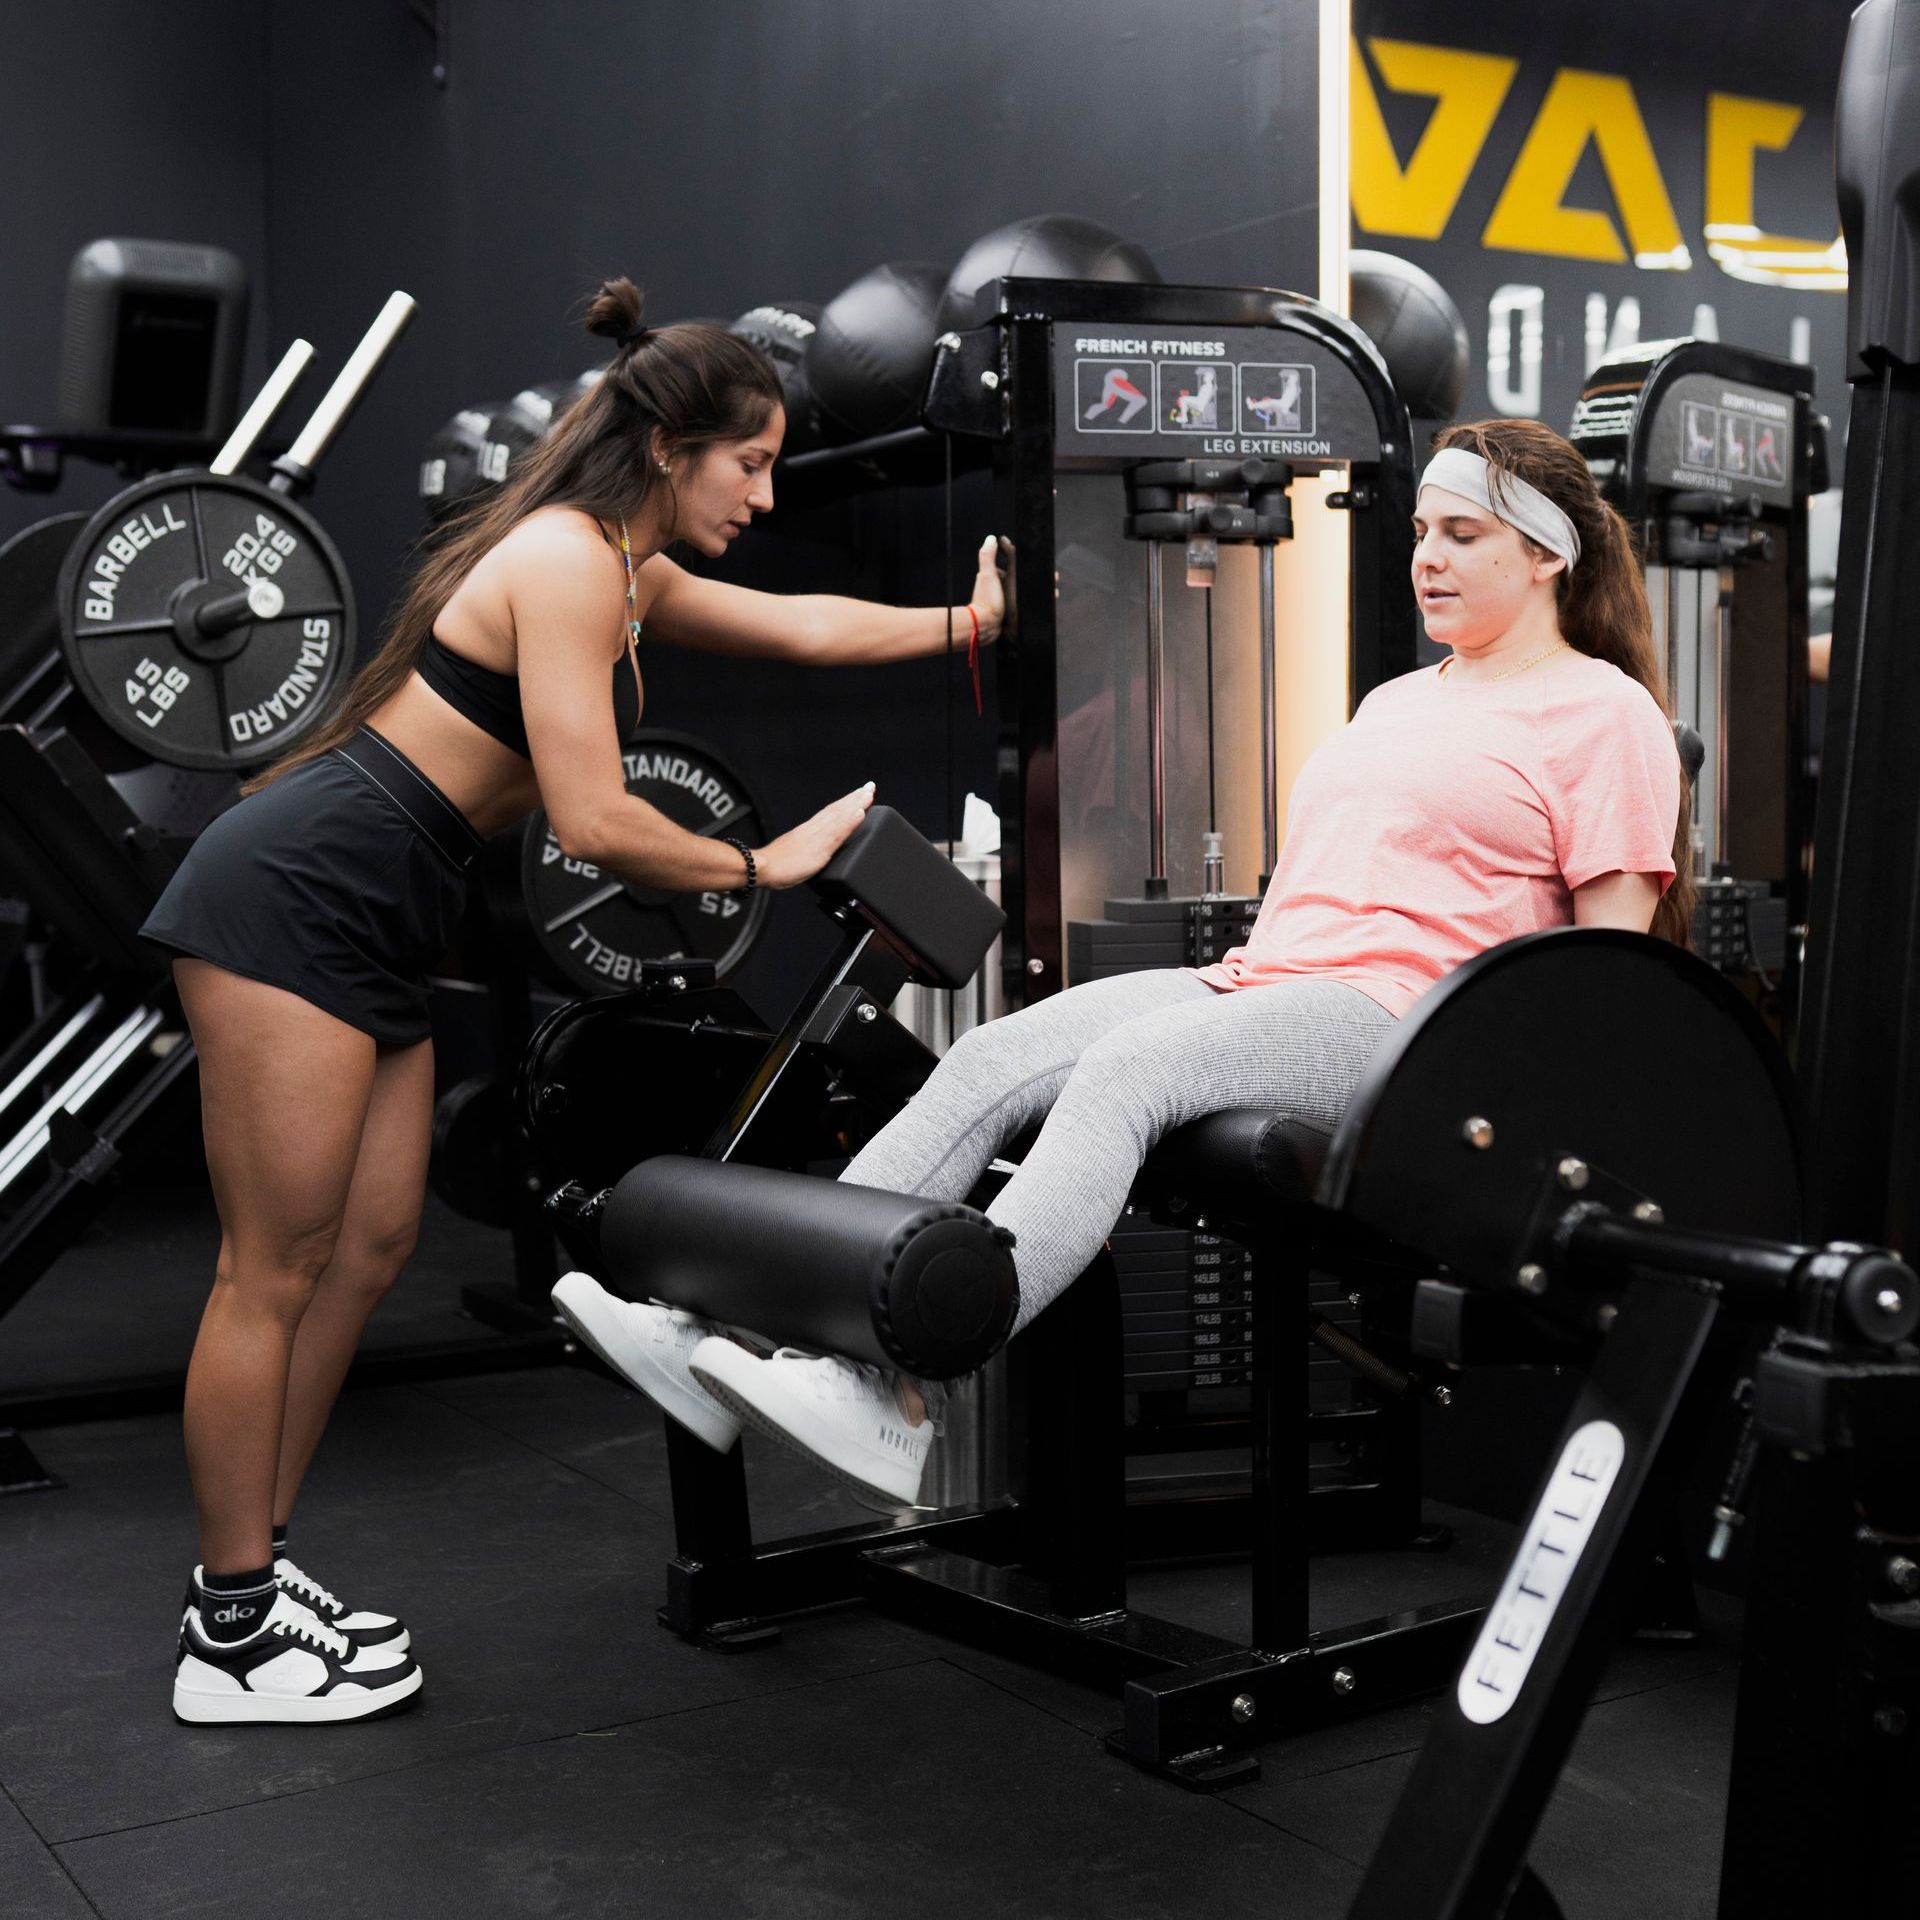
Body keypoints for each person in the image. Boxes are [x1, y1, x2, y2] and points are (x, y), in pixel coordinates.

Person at [553, 416, 1693, 1508]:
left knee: (1129, 1071)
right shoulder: (1402, 697)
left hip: (1410, 1025)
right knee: (994, 1055)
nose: (1428, 561)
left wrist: (1512, 1120)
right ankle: (736, 1329)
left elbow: (1598, 979)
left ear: (1546, 554)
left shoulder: (1604, 715)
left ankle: (896, 1384)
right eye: (1420, 536)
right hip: (1271, 979)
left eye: (1463, 537)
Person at [148, 276, 1007, 1723]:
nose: (767, 490)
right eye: (753, 461)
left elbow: (798, 628)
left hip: (390, 906)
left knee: (366, 1249)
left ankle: (256, 1571)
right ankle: (227, 1633)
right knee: (275, 1267)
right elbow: (595, 822)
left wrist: (963, 623)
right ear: (675, 450)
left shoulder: (624, 568)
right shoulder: (560, 559)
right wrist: (762, 860)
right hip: (294, 893)